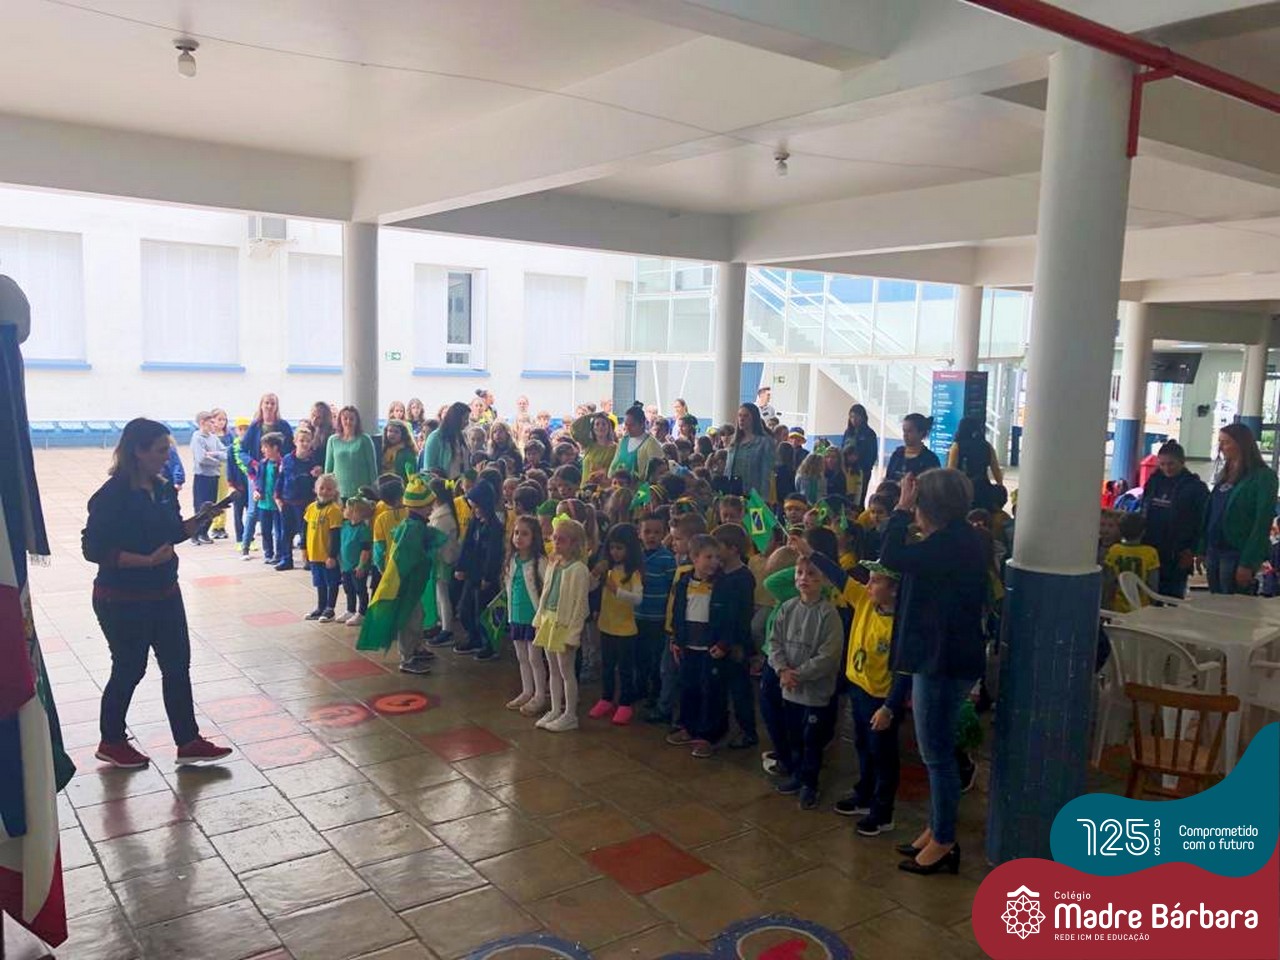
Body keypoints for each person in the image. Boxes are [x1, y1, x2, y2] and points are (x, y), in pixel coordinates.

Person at [81, 418, 233, 768]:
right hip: (121, 599)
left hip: (165, 592)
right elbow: (93, 549)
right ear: (138, 451)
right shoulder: (112, 496)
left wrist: (202, 518)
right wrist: (144, 561)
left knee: (177, 666)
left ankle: (188, 740)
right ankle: (111, 740)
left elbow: (173, 532)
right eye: (161, 450)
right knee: (129, 667)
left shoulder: (163, 489)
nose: (167, 456)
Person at [880, 470, 987, 875]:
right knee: (936, 752)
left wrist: (899, 510)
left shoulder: (947, 545)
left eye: (917, 503)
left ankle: (943, 840)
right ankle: (936, 827)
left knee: (936, 754)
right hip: (946, 656)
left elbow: (890, 556)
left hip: (941, 661)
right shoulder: (962, 539)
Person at [766, 554, 844, 810]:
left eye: (811, 574)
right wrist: (782, 670)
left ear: (824, 581)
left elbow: (828, 656)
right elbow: (774, 642)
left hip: (814, 692)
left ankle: (810, 782)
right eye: (799, 573)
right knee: (795, 736)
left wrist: (797, 674)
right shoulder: (787, 608)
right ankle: (798, 775)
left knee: (812, 740)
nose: (804, 579)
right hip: (789, 688)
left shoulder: (828, 614)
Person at [1199, 423, 1278, 594]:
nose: (1221, 447)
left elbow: (1261, 523)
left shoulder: (1263, 477)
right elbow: (1212, 512)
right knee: (1215, 600)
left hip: (1237, 551)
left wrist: (1248, 562)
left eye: (1226, 442)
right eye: (1220, 442)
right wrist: (1202, 547)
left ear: (1241, 444)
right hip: (1214, 548)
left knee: (1233, 602)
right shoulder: (1225, 474)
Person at [533, 517, 592, 732]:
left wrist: (573, 634)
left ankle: (570, 714)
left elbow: (580, 606)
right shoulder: (554, 564)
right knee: (553, 669)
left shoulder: (579, 570)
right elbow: (545, 594)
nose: (556, 543)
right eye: (555, 538)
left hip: (565, 626)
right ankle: (555, 709)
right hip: (549, 620)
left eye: (562, 539)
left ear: (575, 543)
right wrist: (539, 618)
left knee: (566, 671)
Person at [667, 534, 723, 757]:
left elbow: (726, 616)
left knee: (710, 692)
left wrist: (723, 643)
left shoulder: (721, 584)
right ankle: (688, 727)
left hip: (711, 648)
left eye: (717, 557)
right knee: (688, 687)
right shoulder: (684, 581)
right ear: (694, 557)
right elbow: (677, 611)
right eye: (708, 557)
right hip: (688, 646)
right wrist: (676, 639)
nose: (714, 562)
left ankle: (708, 736)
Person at [589, 523, 645, 725]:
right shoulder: (608, 570)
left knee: (625, 669)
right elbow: (590, 587)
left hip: (625, 629)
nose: (615, 552)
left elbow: (638, 599)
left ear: (630, 549)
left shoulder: (634, 573)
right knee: (607, 666)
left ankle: (625, 703)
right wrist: (595, 573)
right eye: (612, 547)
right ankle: (606, 698)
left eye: (619, 548)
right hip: (606, 625)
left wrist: (617, 591)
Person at [1141, 440, 1208, 598]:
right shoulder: (1153, 482)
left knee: (1173, 596)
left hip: (1179, 551)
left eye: (1171, 464)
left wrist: (1194, 549)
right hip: (1151, 547)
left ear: (1182, 462)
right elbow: (1144, 509)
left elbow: (1203, 521)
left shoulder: (1196, 487)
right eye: (1162, 464)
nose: (1167, 468)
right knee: (1149, 593)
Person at [453, 479, 505, 658]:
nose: (474, 510)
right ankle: (473, 638)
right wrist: (461, 567)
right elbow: (466, 545)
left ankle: (488, 644)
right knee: (465, 609)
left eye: (477, 506)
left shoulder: (495, 527)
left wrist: (488, 577)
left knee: (483, 612)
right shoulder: (475, 522)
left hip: (485, 576)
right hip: (472, 573)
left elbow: (493, 554)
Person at [505, 516, 550, 714]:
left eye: (525, 534)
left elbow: (547, 589)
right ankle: (527, 690)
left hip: (533, 618)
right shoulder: (512, 560)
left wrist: (542, 616)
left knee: (535, 658)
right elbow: (510, 588)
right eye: (516, 533)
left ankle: (540, 695)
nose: (519, 537)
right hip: (516, 616)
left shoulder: (540, 561)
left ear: (534, 537)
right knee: (521, 657)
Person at [636, 514, 677, 708]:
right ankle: (640, 689)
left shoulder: (667, 558)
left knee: (656, 659)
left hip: (658, 618)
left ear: (664, 534)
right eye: (647, 531)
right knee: (639, 656)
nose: (651, 536)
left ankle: (655, 693)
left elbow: (672, 588)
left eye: (657, 532)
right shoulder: (635, 557)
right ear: (639, 533)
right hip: (637, 616)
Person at [276, 425, 321, 571]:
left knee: (305, 532)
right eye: (301, 440)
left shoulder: (313, 462)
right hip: (287, 501)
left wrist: (317, 475)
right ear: (295, 441)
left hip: (305, 502)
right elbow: (281, 478)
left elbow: (318, 484)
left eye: (307, 441)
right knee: (286, 532)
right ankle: (286, 559)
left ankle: (307, 559)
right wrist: (277, 497)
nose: (304, 443)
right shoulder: (287, 459)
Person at [303, 474, 343, 622]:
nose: (325, 491)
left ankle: (330, 608)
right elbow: (304, 530)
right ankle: (320, 607)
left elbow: (335, 535)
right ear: (315, 489)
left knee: (331, 582)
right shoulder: (311, 508)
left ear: (334, 491)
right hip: (314, 554)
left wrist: (332, 555)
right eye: (322, 488)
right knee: (319, 582)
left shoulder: (334, 510)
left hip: (327, 556)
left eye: (329, 489)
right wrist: (304, 549)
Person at [1103, 513, 1161, 612]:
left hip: (1118, 606)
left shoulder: (1114, 550)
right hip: (1143, 607)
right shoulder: (1150, 553)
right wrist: (1153, 603)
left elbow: (1109, 581)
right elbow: (1153, 583)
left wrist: (1106, 603)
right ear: (1143, 532)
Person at [243, 432, 284, 563]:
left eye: (265, 447)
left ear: (275, 448)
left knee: (279, 531)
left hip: (277, 505)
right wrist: (257, 490)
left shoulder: (282, 464)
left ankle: (279, 554)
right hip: (264, 503)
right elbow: (258, 479)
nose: (262, 450)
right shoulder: (263, 463)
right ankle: (268, 553)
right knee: (265, 530)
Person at [947, 416, 1003, 511]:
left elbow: (951, 471)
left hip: (963, 490)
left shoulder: (956, 446)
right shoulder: (987, 446)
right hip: (984, 488)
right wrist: (1000, 485)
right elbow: (996, 469)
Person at [189, 411, 226, 545]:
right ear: (202, 423)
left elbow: (225, 453)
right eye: (211, 422)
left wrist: (213, 454)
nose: (213, 424)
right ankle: (194, 534)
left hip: (214, 476)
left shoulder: (214, 438)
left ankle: (204, 532)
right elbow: (201, 458)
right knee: (201, 506)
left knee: (212, 506)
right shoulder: (197, 438)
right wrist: (217, 462)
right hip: (202, 477)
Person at [325, 406, 378, 499]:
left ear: (357, 421)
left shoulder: (365, 439)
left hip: (361, 492)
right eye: (345, 418)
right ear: (340, 420)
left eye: (351, 419)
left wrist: (375, 489)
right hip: (338, 492)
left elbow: (372, 466)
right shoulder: (332, 440)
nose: (348, 421)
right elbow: (328, 468)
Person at [337, 497, 374, 626]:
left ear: (355, 512)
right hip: (346, 565)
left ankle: (362, 613)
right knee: (348, 589)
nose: (344, 510)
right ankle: (350, 610)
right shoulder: (345, 526)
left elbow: (365, 550)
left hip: (357, 567)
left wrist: (361, 565)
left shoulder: (363, 530)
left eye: (347, 508)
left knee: (360, 589)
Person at [725, 403, 774, 499]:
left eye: (746, 416)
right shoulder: (734, 442)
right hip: (733, 492)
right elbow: (728, 470)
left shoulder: (764, 443)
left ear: (754, 419)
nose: (741, 419)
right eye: (740, 415)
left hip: (753, 494)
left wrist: (763, 499)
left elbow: (766, 474)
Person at [609, 404, 663, 480]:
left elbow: (657, 471)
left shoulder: (652, 444)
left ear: (642, 424)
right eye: (626, 425)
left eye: (632, 425)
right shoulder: (623, 441)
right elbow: (614, 465)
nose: (628, 428)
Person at [884, 414, 941, 483]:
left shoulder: (930, 459)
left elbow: (933, 486)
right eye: (904, 431)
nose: (905, 435)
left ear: (921, 433)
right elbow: (887, 480)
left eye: (909, 431)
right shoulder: (897, 454)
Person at [421, 401, 471, 479]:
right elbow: (428, 469)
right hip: (443, 483)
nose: (467, 423)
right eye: (465, 419)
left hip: (463, 482)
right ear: (456, 419)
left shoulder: (463, 436)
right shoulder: (435, 437)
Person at [842, 404, 878, 510]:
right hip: (847, 470)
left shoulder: (869, 434)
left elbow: (872, 454)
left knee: (859, 499)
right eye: (851, 417)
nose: (854, 420)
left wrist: (859, 461)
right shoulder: (848, 432)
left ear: (863, 417)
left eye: (857, 416)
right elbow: (842, 448)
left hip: (862, 471)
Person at [572, 411, 617, 486]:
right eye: (597, 424)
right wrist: (592, 415)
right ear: (593, 428)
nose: (600, 427)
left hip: (605, 489)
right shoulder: (588, 444)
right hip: (585, 488)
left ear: (609, 427)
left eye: (604, 424)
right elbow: (574, 428)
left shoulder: (616, 448)